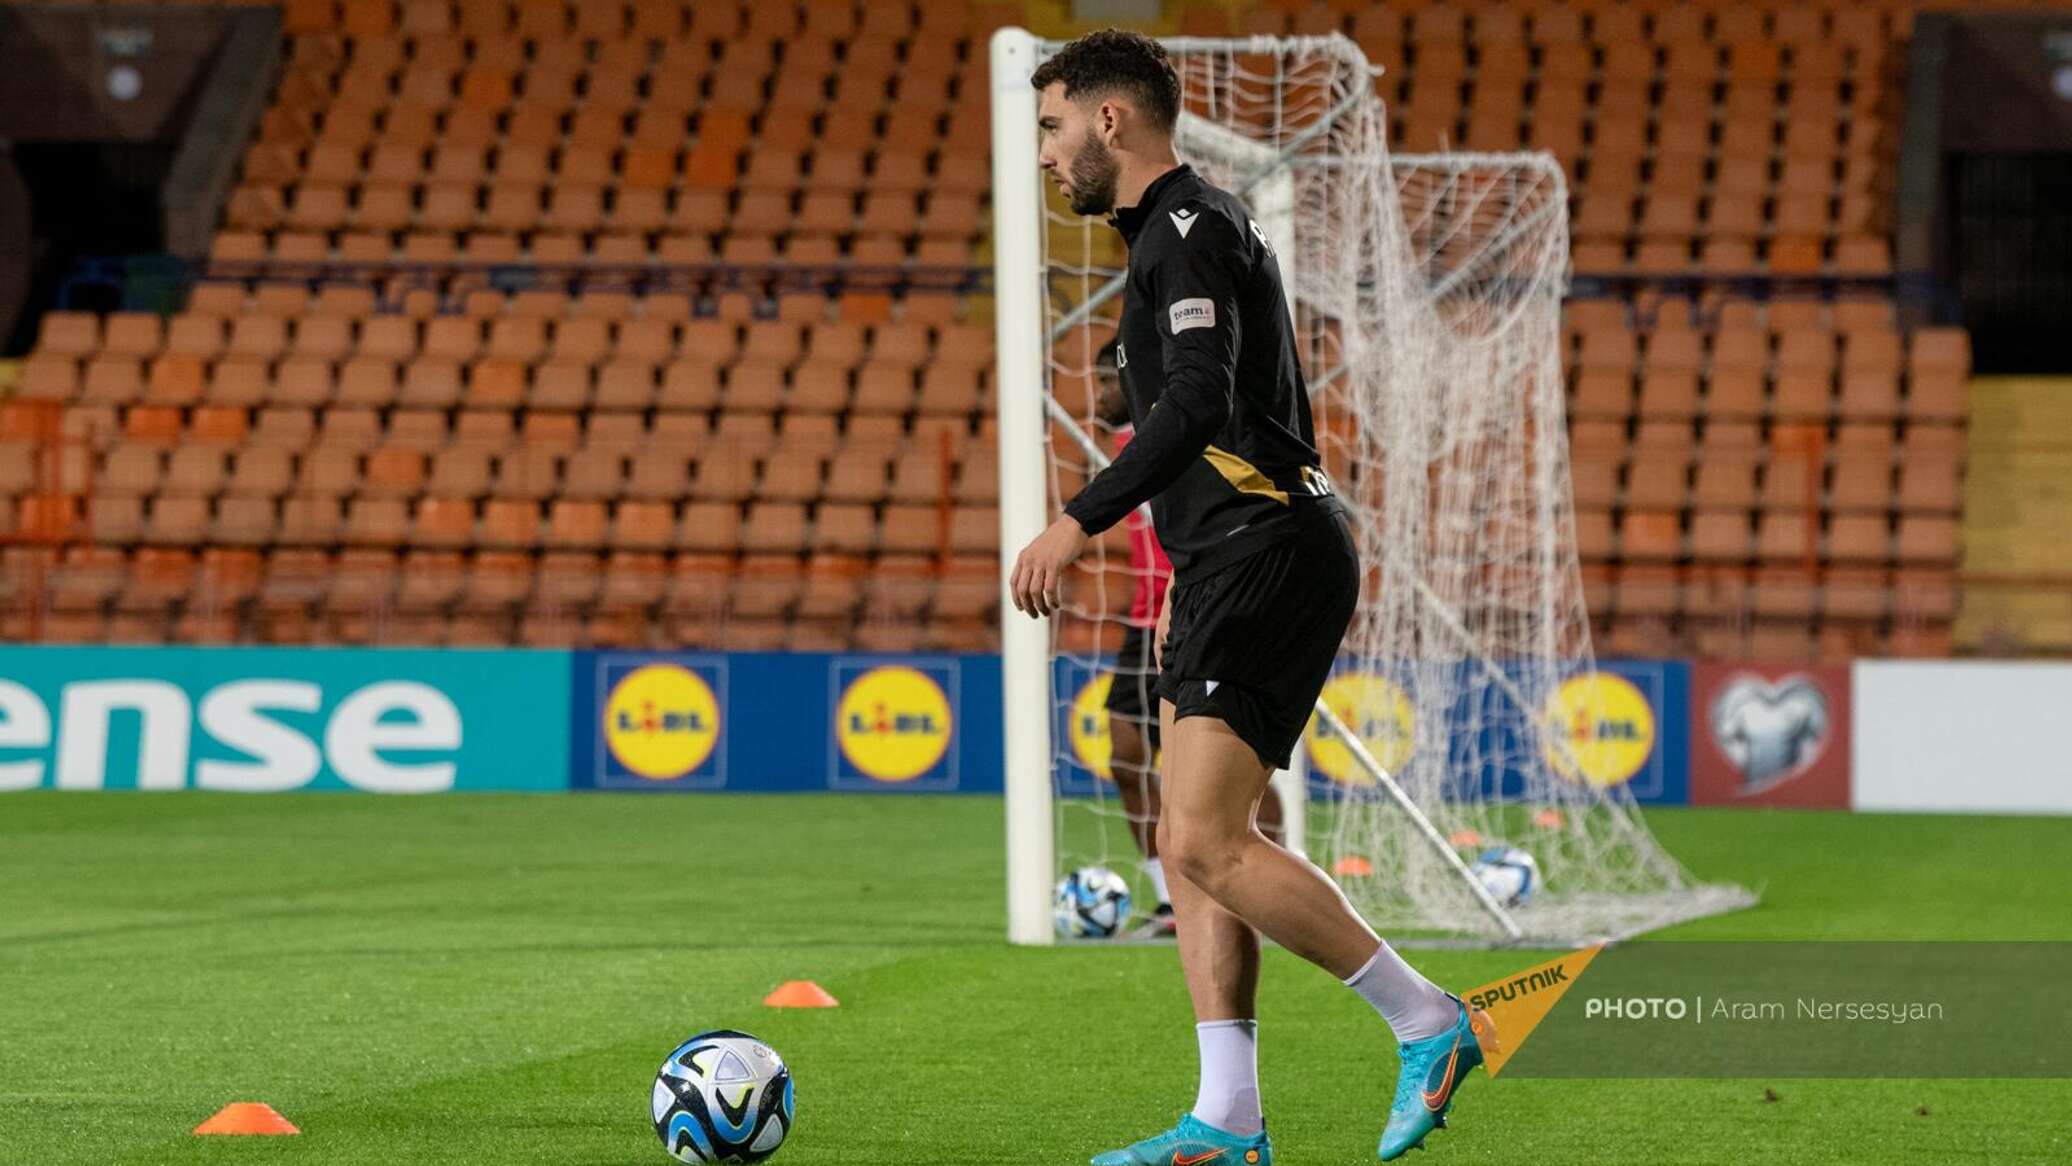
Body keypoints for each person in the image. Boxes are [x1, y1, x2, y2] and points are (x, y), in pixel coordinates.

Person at [1007, 30, 1497, 1165]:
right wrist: (1182, 566)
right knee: (1190, 846)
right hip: (1230, 554)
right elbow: (1222, 411)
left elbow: (1193, 403)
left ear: (1110, 119)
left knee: (1204, 837)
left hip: (1264, 549)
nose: (1043, 153)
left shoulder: (1185, 228)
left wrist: (1078, 520)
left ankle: (1429, 1021)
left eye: (1052, 126)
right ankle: (1227, 1117)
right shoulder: (1176, 235)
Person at [1092, 339, 1283, 941]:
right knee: (1125, 753)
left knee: (1231, 765)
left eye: (1106, 381)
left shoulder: (1192, 433)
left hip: (1204, 609)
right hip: (1143, 620)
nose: (1097, 395)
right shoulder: (1125, 449)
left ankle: (1270, 891)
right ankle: (1166, 897)